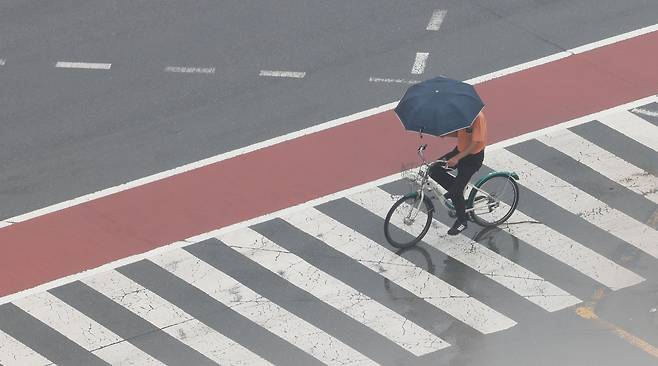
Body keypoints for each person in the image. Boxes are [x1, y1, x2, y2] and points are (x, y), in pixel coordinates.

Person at [429, 110, 488, 235]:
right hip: (459, 151)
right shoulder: (462, 115)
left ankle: (462, 220)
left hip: (472, 158)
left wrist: (457, 158)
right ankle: (457, 192)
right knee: (434, 170)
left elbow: (475, 143)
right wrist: (445, 134)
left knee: (455, 192)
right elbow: (459, 133)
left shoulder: (478, 118)